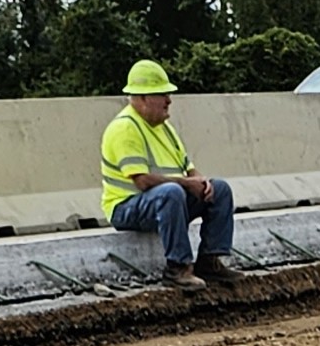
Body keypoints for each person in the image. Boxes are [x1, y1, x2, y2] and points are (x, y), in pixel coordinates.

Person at [100, 60, 238, 292]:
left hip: (165, 202)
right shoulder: (125, 128)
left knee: (220, 188)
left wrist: (202, 182)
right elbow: (142, 181)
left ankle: (209, 261)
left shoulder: (164, 127)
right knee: (171, 193)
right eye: (162, 94)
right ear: (143, 98)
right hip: (125, 207)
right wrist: (186, 183)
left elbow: (188, 166)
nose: (169, 100)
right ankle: (178, 268)